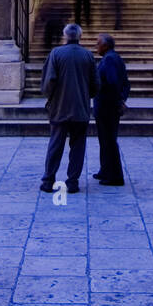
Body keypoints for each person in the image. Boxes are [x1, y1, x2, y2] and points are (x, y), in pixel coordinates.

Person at [40, 23, 97, 194]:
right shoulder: (88, 55)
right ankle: (73, 182)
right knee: (78, 146)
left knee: (55, 144)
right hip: (80, 109)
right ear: (80, 36)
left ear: (65, 36)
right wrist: (86, 96)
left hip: (59, 108)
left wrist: (50, 97)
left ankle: (49, 180)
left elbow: (49, 81)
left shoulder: (56, 53)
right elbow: (95, 84)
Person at [92, 33, 130, 186]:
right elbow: (126, 83)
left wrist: (117, 101)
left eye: (98, 44)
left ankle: (115, 176)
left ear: (105, 46)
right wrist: (122, 99)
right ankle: (105, 170)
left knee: (109, 141)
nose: (96, 47)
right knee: (105, 140)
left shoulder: (109, 60)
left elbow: (113, 83)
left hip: (107, 107)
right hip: (109, 105)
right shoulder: (114, 58)